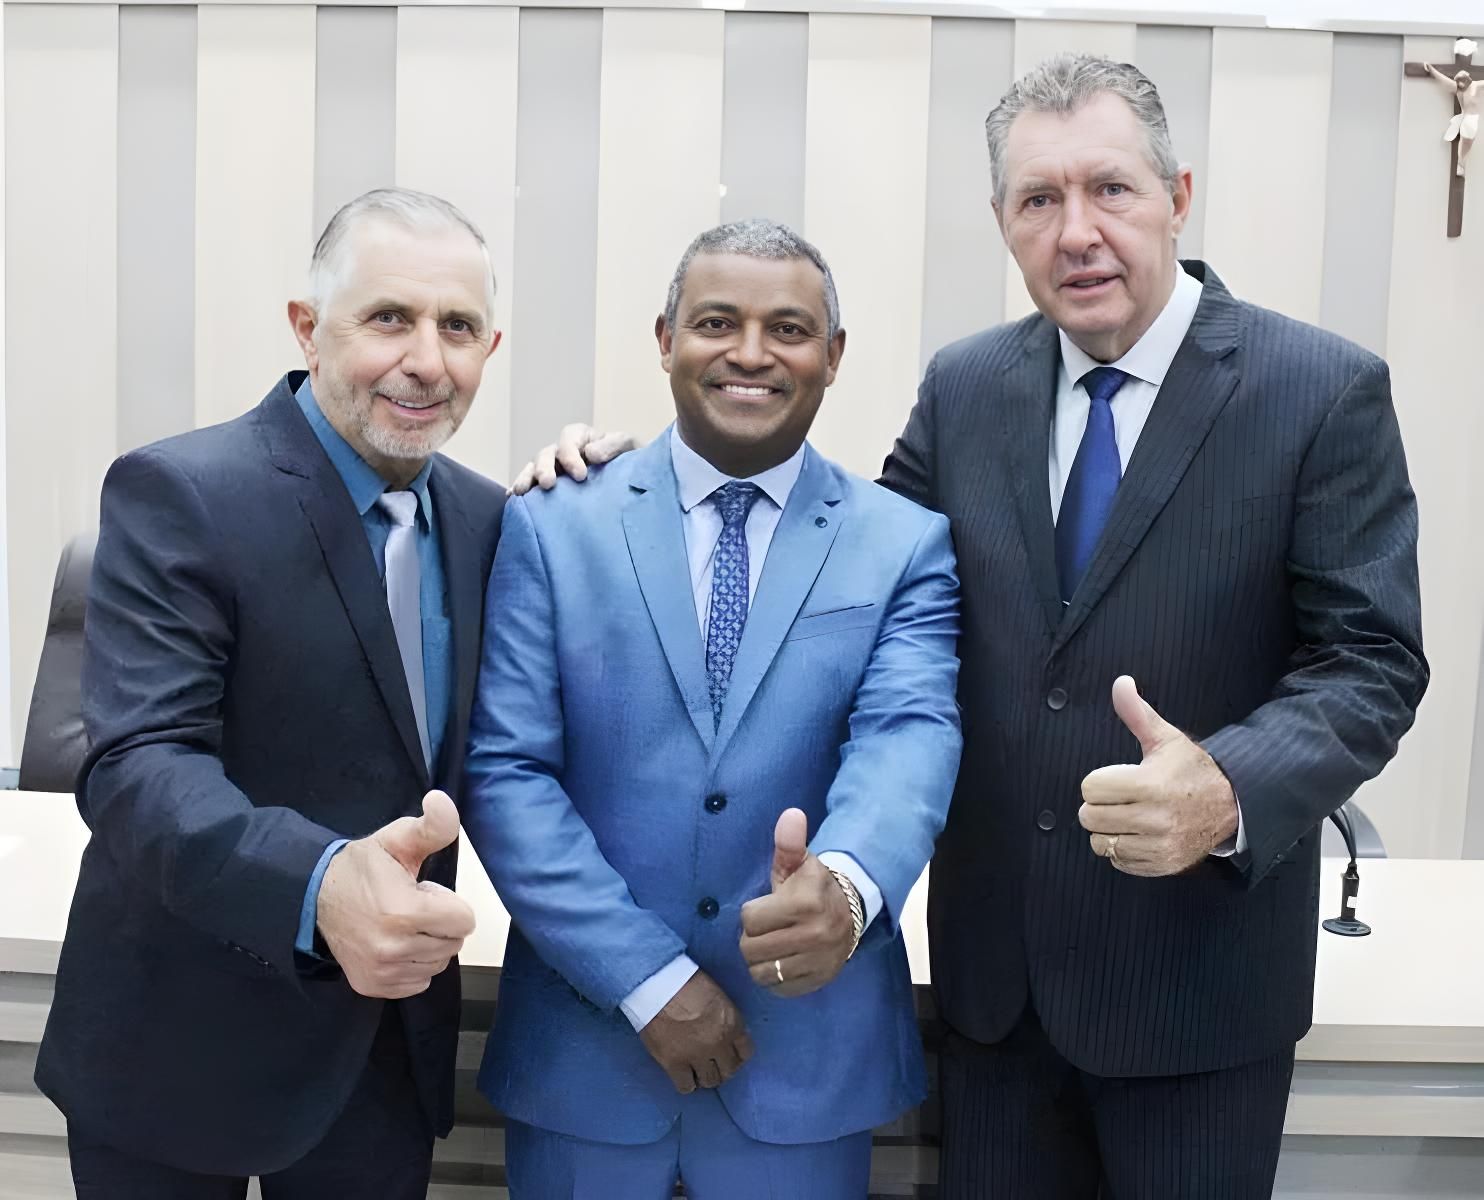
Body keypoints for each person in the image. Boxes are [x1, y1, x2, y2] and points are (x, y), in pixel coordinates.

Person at [516, 54, 1428, 1200]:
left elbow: (1369, 661)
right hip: (994, 998)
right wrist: (628, 481)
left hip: (1194, 984)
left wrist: (1228, 787)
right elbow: (835, 564)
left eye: (1109, 189)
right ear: (1001, 221)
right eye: (1038, 199)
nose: (1075, 231)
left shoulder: (1317, 390)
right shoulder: (967, 387)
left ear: (1177, 197)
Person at [463, 219, 962, 1198]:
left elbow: (908, 738)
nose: (750, 353)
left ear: (832, 357)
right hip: (586, 1057)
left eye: (788, 329)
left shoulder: (903, 544)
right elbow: (505, 771)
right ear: (665, 340)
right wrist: (644, 979)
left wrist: (846, 889)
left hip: (805, 1061)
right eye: (716, 322)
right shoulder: (551, 524)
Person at [36, 187, 508, 1198]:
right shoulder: (181, 492)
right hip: (178, 1045)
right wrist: (317, 884)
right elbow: (138, 766)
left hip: (380, 1059)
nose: (426, 359)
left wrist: (602, 478)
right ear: (308, 326)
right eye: (389, 317)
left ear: (489, 347)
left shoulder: (491, 521)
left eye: (458, 327)